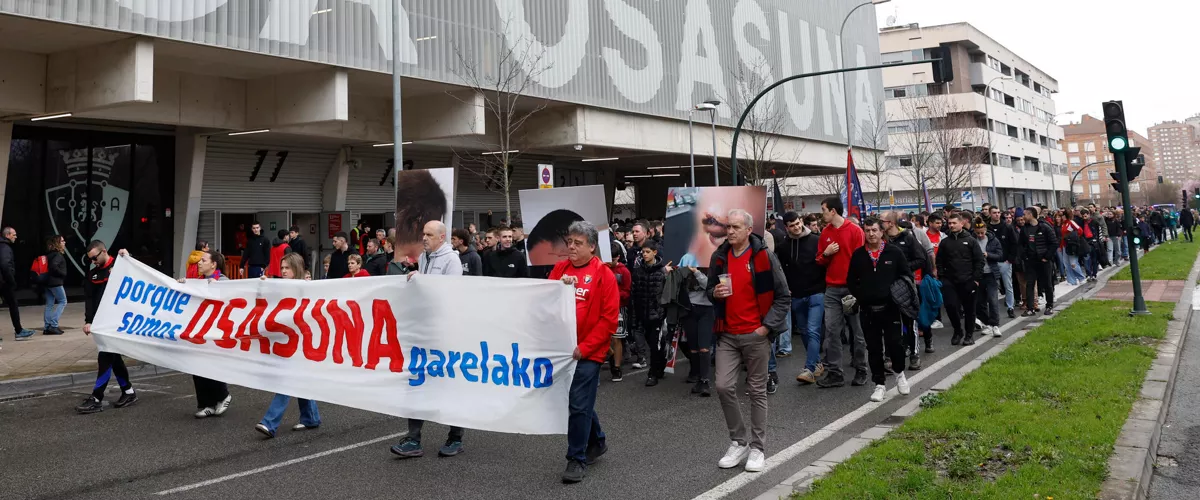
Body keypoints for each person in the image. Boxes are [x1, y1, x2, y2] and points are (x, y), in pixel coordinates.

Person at [708, 209, 790, 473]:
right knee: (722, 386)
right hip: (728, 334)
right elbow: (710, 291)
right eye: (727, 227)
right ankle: (738, 441)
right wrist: (715, 292)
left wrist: (765, 328)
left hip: (755, 334)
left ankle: (757, 447)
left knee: (756, 391)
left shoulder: (763, 256)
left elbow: (783, 296)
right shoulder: (719, 257)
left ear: (748, 230)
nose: (729, 231)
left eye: (734, 227)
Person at [550, 221, 619, 484]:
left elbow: (608, 319)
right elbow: (546, 303)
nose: (571, 247)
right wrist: (560, 288)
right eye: (569, 241)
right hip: (563, 351)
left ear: (592, 246)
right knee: (579, 401)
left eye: (578, 243)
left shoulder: (604, 275)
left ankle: (576, 459)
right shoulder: (559, 269)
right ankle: (598, 441)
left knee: (578, 404)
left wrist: (586, 348)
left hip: (589, 352)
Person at [392, 220, 465, 459]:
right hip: (424, 333)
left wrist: (425, 284)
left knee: (449, 385)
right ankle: (413, 439)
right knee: (418, 382)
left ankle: (455, 437)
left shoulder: (451, 260)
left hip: (445, 334)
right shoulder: (425, 257)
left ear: (441, 238)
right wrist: (417, 277)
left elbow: (451, 295)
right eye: (423, 233)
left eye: (429, 234)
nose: (424, 238)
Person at [255, 253, 321, 437]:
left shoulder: (307, 288)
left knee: (287, 381)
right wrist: (262, 285)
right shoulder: (279, 286)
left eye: (287, 268)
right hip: (287, 341)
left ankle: (270, 422)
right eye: (282, 267)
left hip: (303, 341)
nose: (283, 271)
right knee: (299, 379)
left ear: (296, 268)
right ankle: (311, 418)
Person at [846, 218, 912, 402]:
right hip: (868, 309)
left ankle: (900, 375)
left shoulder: (894, 252)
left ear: (881, 232)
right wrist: (861, 296)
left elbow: (906, 276)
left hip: (891, 308)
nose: (871, 234)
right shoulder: (859, 255)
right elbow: (851, 281)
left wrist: (898, 296)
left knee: (895, 344)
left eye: (874, 230)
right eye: (867, 230)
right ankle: (879, 384)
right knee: (873, 347)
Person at [76, 241, 138, 413]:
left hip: (119, 321)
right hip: (102, 322)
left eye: (95, 258)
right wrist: (89, 321)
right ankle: (128, 391)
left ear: (104, 251)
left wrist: (129, 257)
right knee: (113, 357)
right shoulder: (93, 274)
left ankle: (97, 398)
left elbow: (138, 275)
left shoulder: (121, 264)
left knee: (105, 357)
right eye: (90, 259)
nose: (93, 261)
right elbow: (89, 298)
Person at [814, 197, 868, 388]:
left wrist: (858, 287)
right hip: (832, 289)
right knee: (832, 331)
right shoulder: (825, 233)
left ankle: (861, 369)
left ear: (833, 211)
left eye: (824, 209)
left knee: (857, 331)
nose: (822, 213)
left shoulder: (854, 231)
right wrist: (826, 253)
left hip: (851, 288)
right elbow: (819, 260)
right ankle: (835, 373)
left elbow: (862, 260)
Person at [180, 250, 232, 418]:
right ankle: (206, 404)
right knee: (196, 365)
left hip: (216, 331)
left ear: (213, 264)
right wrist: (182, 285)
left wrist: (216, 286)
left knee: (211, 364)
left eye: (203, 260)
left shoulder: (223, 281)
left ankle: (223, 395)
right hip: (200, 330)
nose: (199, 263)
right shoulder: (200, 282)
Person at [777, 212, 826, 384]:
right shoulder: (783, 246)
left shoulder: (816, 240)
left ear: (801, 222)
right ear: (786, 227)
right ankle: (817, 363)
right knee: (805, 331)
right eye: (792, 225)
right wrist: (785, 288)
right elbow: (780, 270)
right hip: (797, 294)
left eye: (798, 223)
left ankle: (809, 368)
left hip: (816, 292)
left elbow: (824, 262)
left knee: (813, 330)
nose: (796, 227)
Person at [881, 211, 928, 367]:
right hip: (887, 285)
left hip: (905, 284)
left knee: (909, 319)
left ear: (891, 223)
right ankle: (889, 355)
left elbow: (921, 259)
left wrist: (903, 268)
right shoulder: (881, 240)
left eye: (882, 221)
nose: (879, 224)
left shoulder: (907, 237)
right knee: (888, 321)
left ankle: (914, 355)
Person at [937, 213, 985, 346]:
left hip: (968, 280)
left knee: (970, 309)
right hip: (950, 281)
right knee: (951, 306)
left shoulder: (971, 241)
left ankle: (969, 335)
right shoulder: (945, 242)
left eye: (954, 223)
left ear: (962, 223)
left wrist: (975, 279)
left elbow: (979, 261)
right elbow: (939, 261)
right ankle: (958, 331)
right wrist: (942, 277)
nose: (951, 225)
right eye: (949, 223)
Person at [631, 239, 668, 386]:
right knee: (651, 342)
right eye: (643, 252)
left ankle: (653, 373)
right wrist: (634, 316)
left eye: (647, 252)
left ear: (655, 252)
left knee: (654, 344)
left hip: (657, 315)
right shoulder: (638, 272)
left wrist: (663, 314)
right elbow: (634, 294)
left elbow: (665, 295)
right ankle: (661, 362)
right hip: (642, 314)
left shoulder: (662, 272)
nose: (644, 255)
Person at [1021, 207, 1058, 316]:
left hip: (1044, 261)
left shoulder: (1045, 227)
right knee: (1030, 284)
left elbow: (1054, 243)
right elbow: (1021, 245)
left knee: (1047, 284)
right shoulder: (1025, 229)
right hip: (1031, 261)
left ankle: (1049, 306)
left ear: (1030, 215)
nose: (1023, 217)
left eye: (1025, 214)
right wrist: (1025, 256)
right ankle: (1030, 308)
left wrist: (1046, 257)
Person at [0, 227, 34, 340]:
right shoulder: (5, 248)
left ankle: (19, 330)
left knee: (13, 304)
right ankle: (19, 331)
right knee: (13, 304)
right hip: (4, 282)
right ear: (7, 235)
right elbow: (5, 265)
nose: (16, 237)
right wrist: (11, 280)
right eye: (13, 234)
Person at [973, 217, 1004, 338]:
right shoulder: (972, 241)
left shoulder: (993, 240)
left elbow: (1000, 255)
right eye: (978, 233)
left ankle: (995, 324)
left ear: (986, 230)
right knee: (980, 302)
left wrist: (988, 255)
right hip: (979, 275)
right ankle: (986, 323)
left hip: (991, 273)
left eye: (982, 232)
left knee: (993, 299)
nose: (980, 235)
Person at [607, 241, 633, 383]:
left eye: (613, 258)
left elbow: (627, 292)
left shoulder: (624, 271)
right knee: (603, 338)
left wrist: (614, 294)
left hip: (618, 307)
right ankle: (611, 356)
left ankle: (616, 368)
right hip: (602, 307)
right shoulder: (602, 269)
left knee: (617, 338)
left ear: (618, 257)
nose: (610, 262)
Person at [987, 207, 1019, 318]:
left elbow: (1014, 244)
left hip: (1004, 261)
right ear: (990, 214)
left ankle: (1010, 307)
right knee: (992, 286)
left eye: (998, 212)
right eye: (994, 213)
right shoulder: (987, 227)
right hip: (990, 261)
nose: (997, 214)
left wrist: (1010, 259)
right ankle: (993, 311)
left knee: (1008, 285)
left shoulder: (1007, 227)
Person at [41, 235, 68, 335]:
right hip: (55, 282)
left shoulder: (48, 255)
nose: (64, 242)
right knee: (63, 301)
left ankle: (47, 327)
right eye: (62, 241)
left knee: (49, 304)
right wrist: (62, 274)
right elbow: (54, 267)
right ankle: (54, 325)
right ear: (57, 243)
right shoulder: (57, 255)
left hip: (47, 282)